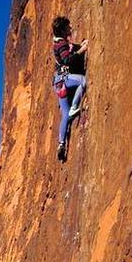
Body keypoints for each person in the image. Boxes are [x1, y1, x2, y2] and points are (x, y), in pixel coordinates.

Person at [52, 16, 88, 161]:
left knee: (65, 114)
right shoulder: (61, 44)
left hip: (58, 83)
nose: (70, 27)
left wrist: (80, 46)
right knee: (83, 81)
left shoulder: (59, 43)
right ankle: (75, 106)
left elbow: (68, 53)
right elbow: (67, 59)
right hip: (65, 80)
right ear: (62, 29)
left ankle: (61, 143)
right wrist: (83, 50)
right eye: (68, 26)